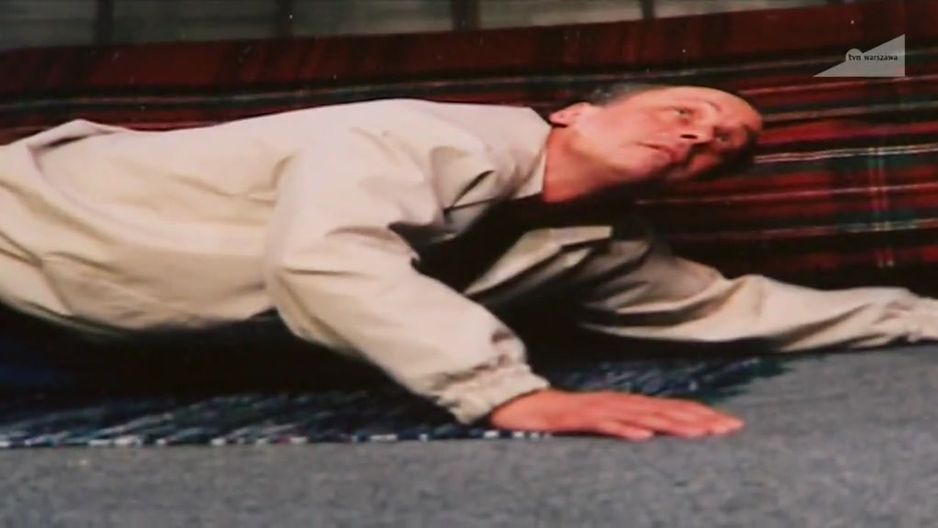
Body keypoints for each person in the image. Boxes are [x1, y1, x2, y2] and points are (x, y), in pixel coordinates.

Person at [1, 84, 936, 442]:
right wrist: (504, 393)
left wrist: (925, 315)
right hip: (22, 235)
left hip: (102, 339)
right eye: (686, 110)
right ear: (577, 111)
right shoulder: (421, 135)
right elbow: (328, 259)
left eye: (726, 147)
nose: (703, 134)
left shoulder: (603, 246)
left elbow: (730, 307)